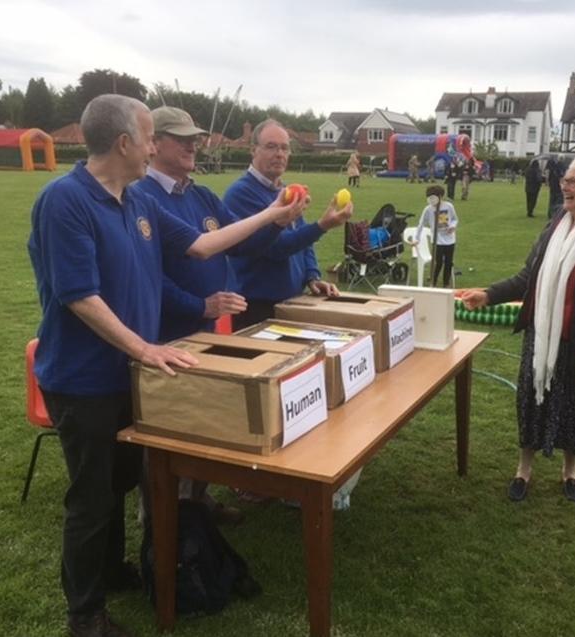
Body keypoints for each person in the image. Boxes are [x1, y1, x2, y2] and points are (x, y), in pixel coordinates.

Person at [27, 95, 303, 637]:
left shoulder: (137, 200)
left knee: (122, 482)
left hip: (129, 372)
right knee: (90, 498)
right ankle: (84, 616)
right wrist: (144, 348)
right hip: (85, 380)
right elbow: (79, 296)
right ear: (125, 142)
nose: (156, 147)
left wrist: (272, 216)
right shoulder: (65, 200)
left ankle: (112, 572)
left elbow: (201, 246)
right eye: (151, 137)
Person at [137, 106, 286, 524]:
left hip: (204, 333)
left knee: (206, 420)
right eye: (181, 137)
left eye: (195, 137)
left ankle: (197, 503)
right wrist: (199, 305)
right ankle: (161, 520)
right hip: (162, 335)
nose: (193, 144)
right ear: (153, 144)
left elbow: (238, 243)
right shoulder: (142, 197)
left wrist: (278, 222)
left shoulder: (200, 194)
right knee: (167, 432)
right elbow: (150, 276)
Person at [459, 152, 575, 504]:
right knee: (531, 403)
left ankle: (570, 471)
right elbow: (530, 277)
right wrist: (489, 294)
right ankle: (523, 469)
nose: (564, 186)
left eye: (573, 180)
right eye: (564, 180)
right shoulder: (555, 225)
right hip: (541, 338)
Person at [223, 119, 353, 330]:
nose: (279, 154)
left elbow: (301, 237)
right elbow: (276, 248)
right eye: (271, 146)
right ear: (253, 150)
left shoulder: (285, 190)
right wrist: (322, 226)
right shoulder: (241, 194)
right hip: (257, 307)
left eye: (284, 148)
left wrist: (312, 276)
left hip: (291, 301)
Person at [412, 185, 458, 287]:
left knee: (448, 262)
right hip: (437, 240)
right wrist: (416, 239)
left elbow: (455, 219)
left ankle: (446, 283)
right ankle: (433, 281)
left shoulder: (448, 206)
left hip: (450, 239)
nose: (432, 200)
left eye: (434, 197)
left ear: (441, 196)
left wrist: (452, 226)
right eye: (430, 197)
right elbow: (421, 224)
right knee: (438, 262)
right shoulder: (428, 209)